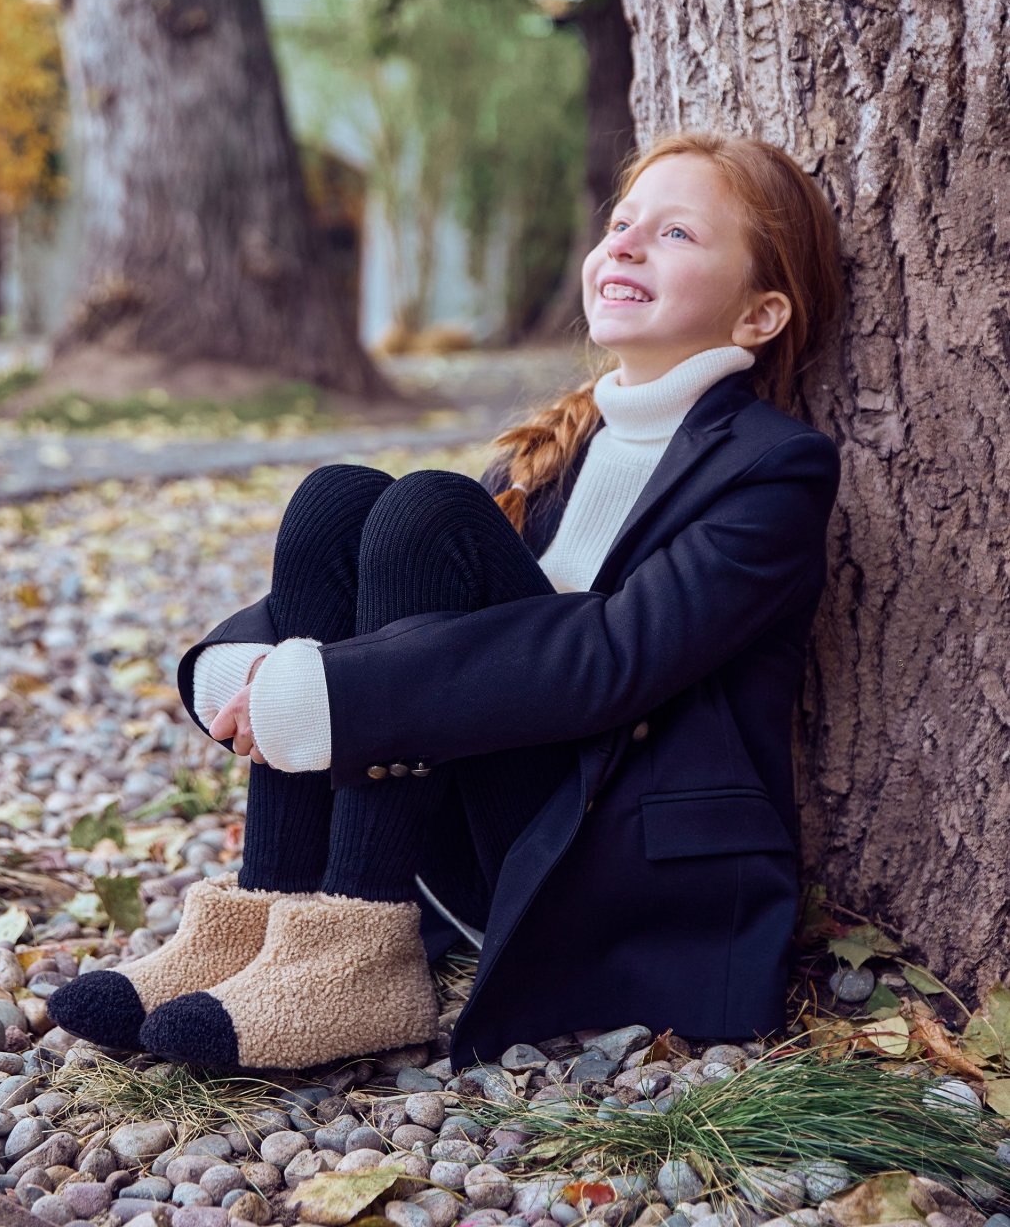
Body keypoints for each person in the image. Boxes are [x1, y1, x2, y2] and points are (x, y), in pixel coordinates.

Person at [50, 129, 843, 1076]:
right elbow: (409, 613)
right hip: (480, 827)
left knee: (428, 510)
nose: (624, 245)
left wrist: (325, 695)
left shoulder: (772, 470)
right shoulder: (545, 451)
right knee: (340, 496)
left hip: (606, 863)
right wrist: (250, 670)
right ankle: (268, 918)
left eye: (675, 235)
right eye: (622, 223)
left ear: (758, 315)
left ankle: (357, 950)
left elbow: (610, 659)